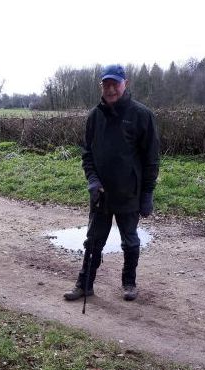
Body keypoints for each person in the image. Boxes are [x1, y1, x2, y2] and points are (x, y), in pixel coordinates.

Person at [64, 64, 159, 302]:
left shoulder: (142, 115)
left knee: (130, 240)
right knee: (93, 241)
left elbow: (151, 160)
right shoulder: (94, 117)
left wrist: (147, 194)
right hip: (101, 194)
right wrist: (93, 182)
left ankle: (129, 283)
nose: (110, 89)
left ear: (125, 84)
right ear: (101, 86)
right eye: (106, 84)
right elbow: (87, 154)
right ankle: (85, 284)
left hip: (129, 192)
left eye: (115, 83)